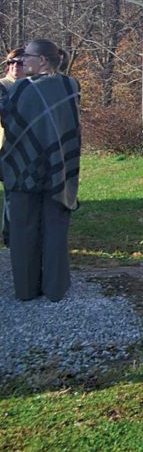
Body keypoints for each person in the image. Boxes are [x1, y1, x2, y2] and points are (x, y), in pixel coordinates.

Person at [0, 39, 81, 301]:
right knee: (56, 230)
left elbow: (7, 115)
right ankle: (56, 289)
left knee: (24, 231)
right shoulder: (71, 86)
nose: (22, 61)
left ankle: (26, 290)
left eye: (27, 57)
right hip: (61, 169)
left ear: (42, 61)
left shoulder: (22, 89)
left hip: (25, 169)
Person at [1, 48, 27, 246]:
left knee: (15, 192)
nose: (15, 66)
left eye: (20, 62)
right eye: (12, 62)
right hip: (4, 146)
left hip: (22, 148)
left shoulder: (31, 86)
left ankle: (12, 235)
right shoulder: (2, 87)